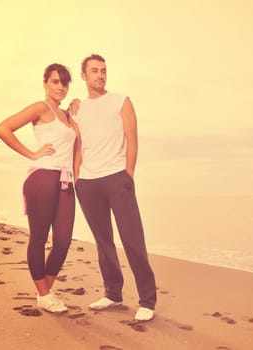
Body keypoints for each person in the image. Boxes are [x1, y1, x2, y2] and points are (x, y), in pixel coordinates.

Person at [70, 54, 157, 321]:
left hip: (117, 177)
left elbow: (132, 138)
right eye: (94, 71)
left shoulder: (121, 101)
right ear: (84, 76)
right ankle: (113, 293)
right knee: (103, 241)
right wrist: (77, 178)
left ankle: (147, 300)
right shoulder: (77, 108)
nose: (100, 75)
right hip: (87, 182)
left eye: (104, 70)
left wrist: (127, 174)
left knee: (132, 239)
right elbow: (77, 144)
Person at [0, 63, 79, 313]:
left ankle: (45, 292)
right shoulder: (40, 108)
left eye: (64, 82)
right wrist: (32, 154)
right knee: (39, 239)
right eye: (55, 81)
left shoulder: (67, 115)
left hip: (66, 180)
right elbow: (2, 128)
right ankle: (44, 293)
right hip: (43, 176)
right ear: (45, 83)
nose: (61, 87)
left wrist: (76, 105)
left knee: (63, 240)